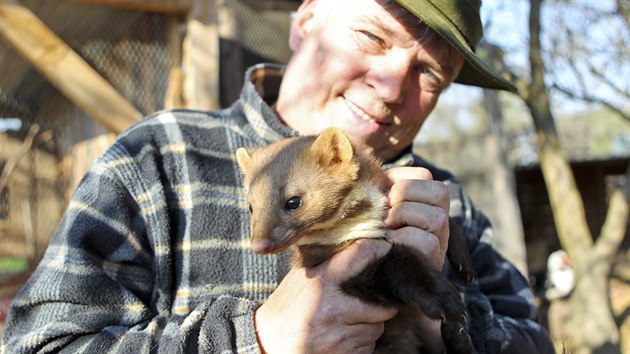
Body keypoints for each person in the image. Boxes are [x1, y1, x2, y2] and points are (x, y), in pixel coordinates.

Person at [2, 0, 555, 353]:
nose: (392, 85)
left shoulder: (442, 199)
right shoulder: (157, 158)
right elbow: (40, 346)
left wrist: (445, 322)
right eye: (372, 37)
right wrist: (255, 338)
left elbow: (534, 341)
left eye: (430, 72)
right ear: (306, 19)